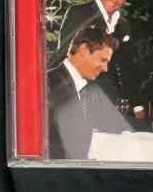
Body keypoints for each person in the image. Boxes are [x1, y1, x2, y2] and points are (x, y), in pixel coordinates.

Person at [48, 29, 131, 159]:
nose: (105, 68)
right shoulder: (49, 84)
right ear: (84, 50)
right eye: (103, 60)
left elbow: (112, 123)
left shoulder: (86, 90)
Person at [55, 0, 137, 98]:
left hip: (113, 98)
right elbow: (64, 56)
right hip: (81, 96)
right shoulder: (79, 13)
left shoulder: (123, 24)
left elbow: (125, 66)